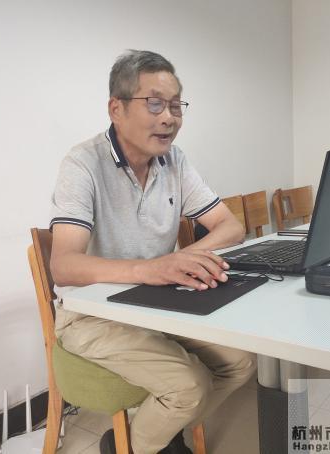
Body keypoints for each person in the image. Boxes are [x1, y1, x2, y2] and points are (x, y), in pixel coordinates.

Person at [49, 50, 256, 454]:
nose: (169, 118)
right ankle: (126, 447)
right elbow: (64, 266)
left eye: (176, 106)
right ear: (117, 109)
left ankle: (148, 433)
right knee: (190, 386)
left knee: (242, 362)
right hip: (90, 316)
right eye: (156, 104)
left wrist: (184, 258)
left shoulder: (174, 161)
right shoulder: (82, 164)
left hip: (155, 303)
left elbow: (231, 226)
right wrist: (154, 268)